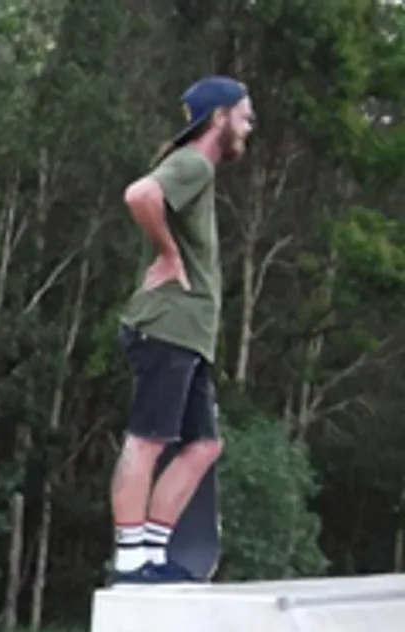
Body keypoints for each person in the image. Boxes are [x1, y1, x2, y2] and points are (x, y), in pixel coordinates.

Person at [108, 76, 255, 583]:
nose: (249, 125)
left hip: (188, 333)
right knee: (147, 441)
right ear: (219, 118)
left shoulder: (200, 171)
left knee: (204, 446)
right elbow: (140, 195)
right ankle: (130, 562)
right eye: (244, 115)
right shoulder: (192, 162)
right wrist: (170, 255)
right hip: (167, 326)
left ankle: (153, 552)